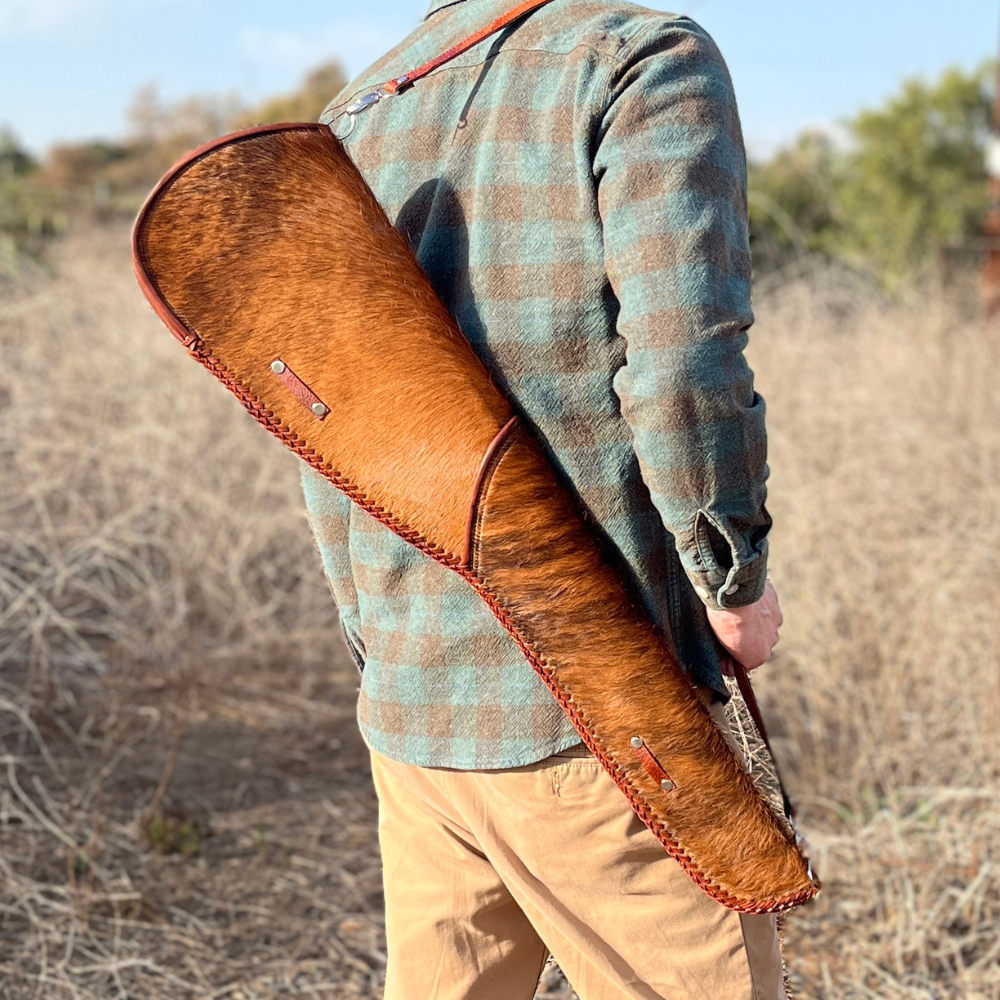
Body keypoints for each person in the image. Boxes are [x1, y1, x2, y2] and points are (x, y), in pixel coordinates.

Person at [301, 1, 786, 997]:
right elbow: (684, 361)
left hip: (416, 711)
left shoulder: (354, 113)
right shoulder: (639, 58)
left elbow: (320, 434)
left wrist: (381, 640)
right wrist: (731, 580)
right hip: (604, 710)